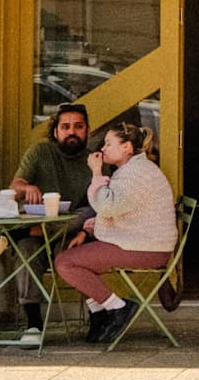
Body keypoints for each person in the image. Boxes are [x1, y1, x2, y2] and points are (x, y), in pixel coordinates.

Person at [54, 122, 178, 345]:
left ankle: (118, 307)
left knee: (66, 263)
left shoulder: (136, 174)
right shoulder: (133, 170)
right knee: (72, 252)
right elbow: (120, 210)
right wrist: (88, 229)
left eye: (109, 143)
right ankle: (99, 313)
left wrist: (96, 172)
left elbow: (108, 207)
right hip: (142, 243)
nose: (103, 148)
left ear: (127, 148)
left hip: (145, 248)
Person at [4, 102, 94, 348]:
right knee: (26, 251)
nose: (72, 132)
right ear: (56, 131)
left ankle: (99, 314)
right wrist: (27, 188)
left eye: (78, 126)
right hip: (36, 233)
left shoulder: (94, 160)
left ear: (87, 130)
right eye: (65, 127)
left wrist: (85, 229)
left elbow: (98, 206)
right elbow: (15, 187)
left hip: (73, 233)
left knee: (80, 237)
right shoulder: (40, 152)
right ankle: (33, 324)